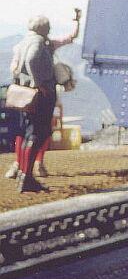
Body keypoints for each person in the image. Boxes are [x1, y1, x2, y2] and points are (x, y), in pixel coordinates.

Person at [4, 12, 80, 190]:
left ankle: (23, 173)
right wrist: (39, 84)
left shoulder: (22, 43)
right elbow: (32, 60)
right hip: (40, 94)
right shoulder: (39, 42)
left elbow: (15, 67)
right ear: (43, 28)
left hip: (25, 94)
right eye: (48, 27)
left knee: (27, 133)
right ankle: (27, 177)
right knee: (39, 132)